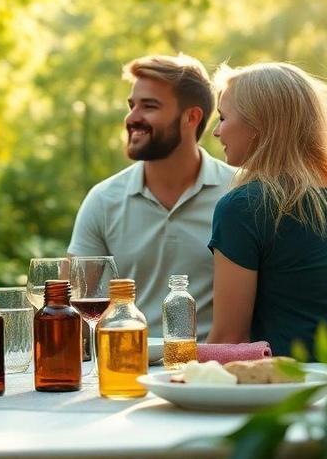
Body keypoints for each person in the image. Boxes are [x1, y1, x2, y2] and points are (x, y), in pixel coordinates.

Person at [206, 62, 327, 361]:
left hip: (306, 389)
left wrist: (173, 375)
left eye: (223, 117)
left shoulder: (243, 206)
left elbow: (230, 340)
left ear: (258, 124)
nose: (216, 131)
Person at [69, 54, 236, 340]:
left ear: (191, 117)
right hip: (125, 368)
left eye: (149, 106)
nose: (132, 118)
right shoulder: (103, 199)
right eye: (132, 105)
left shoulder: (239, 191)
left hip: (214, 371)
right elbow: (74, 309)